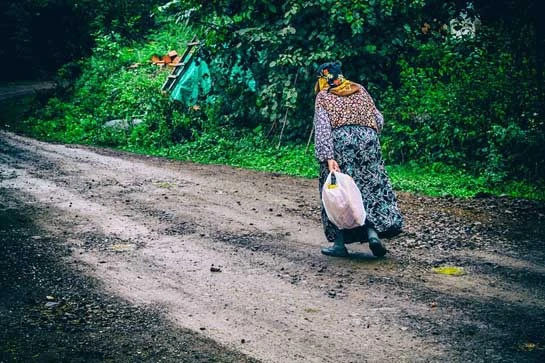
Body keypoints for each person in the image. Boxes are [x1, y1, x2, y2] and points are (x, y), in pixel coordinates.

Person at [313, 61, 403, 258]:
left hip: (341, 144)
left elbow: (322, 129)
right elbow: (378, 119)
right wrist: (366, 134)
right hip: (368, 142)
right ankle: (372, 234)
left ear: (324, 78)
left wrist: (328, 157)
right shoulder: (359, 89)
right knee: (369, 187)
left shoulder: (324, 96)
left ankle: (339, 244)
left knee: (338, 193)